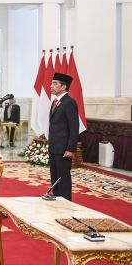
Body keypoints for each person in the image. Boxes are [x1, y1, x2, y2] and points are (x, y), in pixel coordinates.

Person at [48, 73, 79, 201]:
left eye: (55, 83)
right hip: (54, 146)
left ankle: (65, 201)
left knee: (63, 176)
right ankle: (56, 198)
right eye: (52, 83)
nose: (51, 86)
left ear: (63, 87)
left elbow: (74, 128)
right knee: (54, 175)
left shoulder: (69, 102)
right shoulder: (56, 102)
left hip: (64, 149)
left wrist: (70, 149)